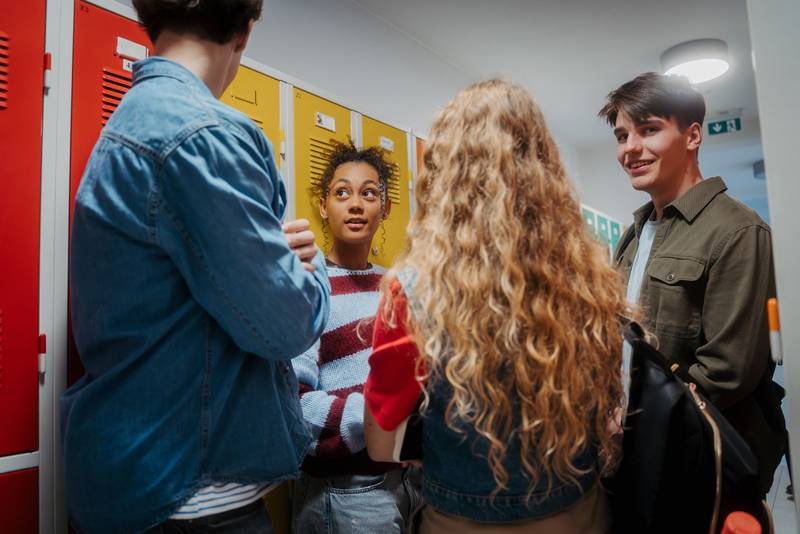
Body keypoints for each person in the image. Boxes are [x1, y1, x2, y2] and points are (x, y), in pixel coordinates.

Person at [61, 1, 330, 532]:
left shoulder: (135, 120)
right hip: (187, 501)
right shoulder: (201, 131)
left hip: (136, 480)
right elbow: (288, 325)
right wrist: (311, 263)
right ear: (244, 31)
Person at [363, 79, 627, 533]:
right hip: (579, 513)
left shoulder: (413, 289)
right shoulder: (589, 277)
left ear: (446, 170)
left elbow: (381, 445)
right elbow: (609, 414)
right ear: (543, 167)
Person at [598, 72, 786, 494]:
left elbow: (727, 372)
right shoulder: (635, 233)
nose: (630, 148)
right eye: (622, 135)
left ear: (693, 136)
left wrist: (633, 418)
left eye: (649, 130)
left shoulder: (738, 231)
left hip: (700, 461)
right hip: (635, 452)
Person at [291, 140, 422, 533]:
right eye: (342, 193)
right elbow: (294, 406)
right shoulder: (306, 285)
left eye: (368, 194)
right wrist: (381, 416)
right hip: (347, 494)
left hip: (411, 484)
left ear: (385, 208)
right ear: (323, 205)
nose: (355, 205)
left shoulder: (394, 283)